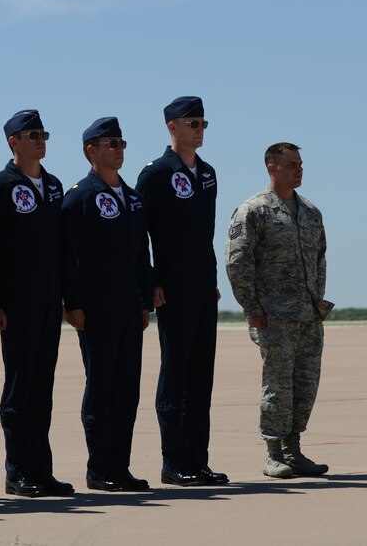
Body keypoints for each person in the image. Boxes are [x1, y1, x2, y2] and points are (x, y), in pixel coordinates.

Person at [136, 96, 228, 487]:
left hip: (203, 287)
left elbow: (203, 235)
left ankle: (198, 460)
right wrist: (151, 280)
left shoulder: (207, 174)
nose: (199, 129)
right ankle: (174, 462)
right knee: (175, 374)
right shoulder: (156, 174)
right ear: (172, 127)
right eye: (192, 123)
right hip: (171, 288)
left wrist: (211, 281)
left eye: (203, 123)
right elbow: (137, 233)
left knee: (200, 376)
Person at [225, 142, 332, 478]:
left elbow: (320, 260)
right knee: (278, 385)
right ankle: (273, 453)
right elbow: (237, 263)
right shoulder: (253, 210)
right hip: (273, 316)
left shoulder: (311, 212)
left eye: (300, 164)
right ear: (271, 167)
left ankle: (294, 449)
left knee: (305, 385)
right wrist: (251, 307)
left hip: (308, 316)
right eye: (291, 164)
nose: (299, 169)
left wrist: (317, 303)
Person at [61, 117, 154, 492]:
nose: (118, 149)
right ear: (91, 151)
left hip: (129, 309)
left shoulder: (132, 198)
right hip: (96, 309)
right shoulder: (80, 196)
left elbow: (140, 254)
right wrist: (74, 303)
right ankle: (100, 468)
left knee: (126, 390)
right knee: (100, 388)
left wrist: (145, 300)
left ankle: (121, 465)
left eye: (121, 143)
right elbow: (68, 256)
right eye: (110, 143)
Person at [0, 110, 75, 497]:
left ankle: (41, 469)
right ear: (14, 142)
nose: (41, 140)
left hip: (47, 301)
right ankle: (18, 471)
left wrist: (66, 299)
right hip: (17, 303)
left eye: (44, 133)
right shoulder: (1, 186)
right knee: (20, 387)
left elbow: (63, 249)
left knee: (43, 388)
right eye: (33, 134)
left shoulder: (54, 187)